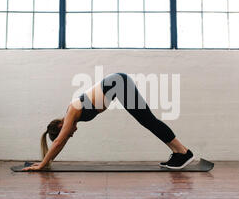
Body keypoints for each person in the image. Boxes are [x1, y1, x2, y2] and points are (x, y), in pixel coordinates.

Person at [23, 73, 195, 171]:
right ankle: (178, 153)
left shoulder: (72, 111)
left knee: (148, 120)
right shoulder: (73, 114)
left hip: (119, 84)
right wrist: (47, 162)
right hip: (118, 86)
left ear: (60, 127)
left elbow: (60, 141)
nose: (71, 134)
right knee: (148, 121)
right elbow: (61, 141)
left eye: (67, 133)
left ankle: (183, 152)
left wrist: (43, 164)